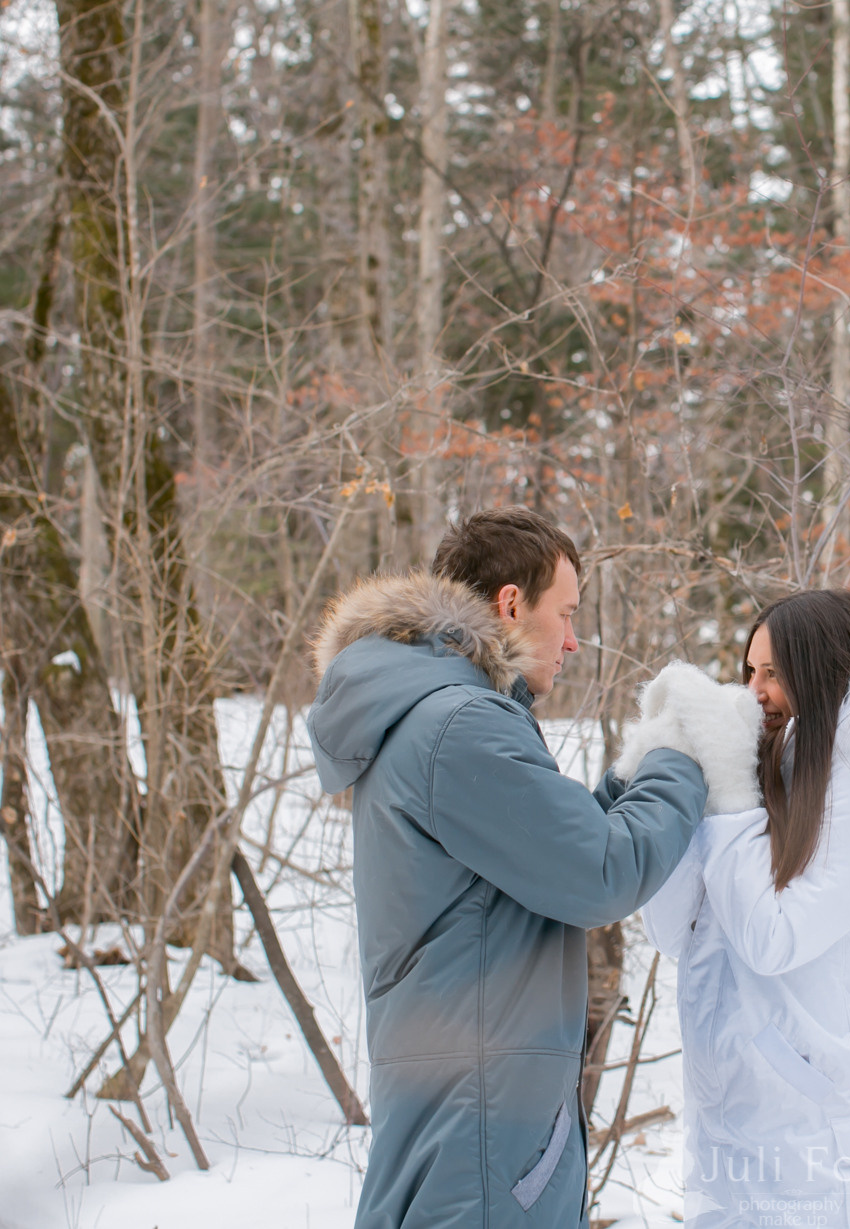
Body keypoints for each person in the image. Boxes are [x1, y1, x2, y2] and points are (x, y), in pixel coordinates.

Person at [307, 507, 722, 1229]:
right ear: (509, 603)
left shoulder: (437, 716)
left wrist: (630, 775)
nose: (571, 640)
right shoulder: (457, 727)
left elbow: (551, 856)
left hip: (470, 1127)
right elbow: (599, 872)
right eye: (564, 614)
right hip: (483, 1145)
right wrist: (683, 757)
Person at [633, 589, 850, 1228]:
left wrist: (730, 795)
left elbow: (774, 940)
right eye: (750, 671)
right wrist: (670, 774)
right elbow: (673, 931)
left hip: (823, 1150)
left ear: (823, 671)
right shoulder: (766, 773)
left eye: (774, 674)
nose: (754, 692)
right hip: (729, 1140)